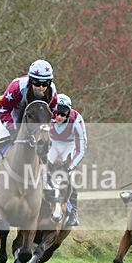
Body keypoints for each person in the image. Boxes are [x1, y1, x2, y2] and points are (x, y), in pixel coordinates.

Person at [0, 59, 59, 184]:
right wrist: (11, 128)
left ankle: (47, 176)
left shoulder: (52, 91)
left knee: (45, 142)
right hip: (14, 113)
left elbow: (53, 114)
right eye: (37, 83)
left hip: (36, 118)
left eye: (45, 84)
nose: (41, 88)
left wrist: (47, 129)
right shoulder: (17, 86)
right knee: (0, 138)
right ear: (31, 80)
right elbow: (3, 109)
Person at [48, 94, 87, 227]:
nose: (59, 117)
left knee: (69, 176)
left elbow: (81, 149)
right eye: (57, 113)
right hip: (52, 143)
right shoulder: (47, 114)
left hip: (69, 146)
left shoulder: (76, 121)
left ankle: (73, 212)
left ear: (68, 114)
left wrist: (70, 167)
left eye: (63, 115)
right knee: (41, 170)